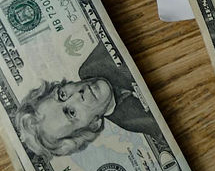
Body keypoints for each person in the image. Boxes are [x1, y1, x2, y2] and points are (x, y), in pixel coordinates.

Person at [15, 45, 160, 160]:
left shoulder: (98, 61)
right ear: (92, 125)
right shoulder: (137, 122)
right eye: (71, 112)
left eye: (62, 94)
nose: (77, 95)